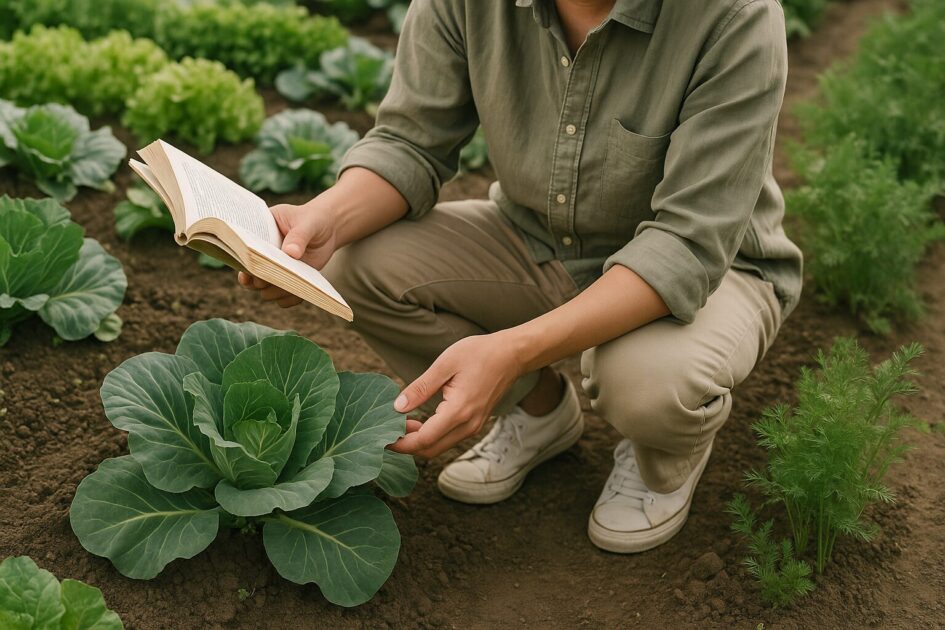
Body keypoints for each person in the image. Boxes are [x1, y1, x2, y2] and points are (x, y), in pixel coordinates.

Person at [238, 0, 802, 553]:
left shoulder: (734, 14)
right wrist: (324, 220)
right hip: (541, 238)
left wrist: (510, 351)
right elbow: (409, 143)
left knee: (649, 384)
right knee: (354, 264)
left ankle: (661, 460)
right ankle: (539, 411)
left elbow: (686, 244)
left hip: (712, 267)